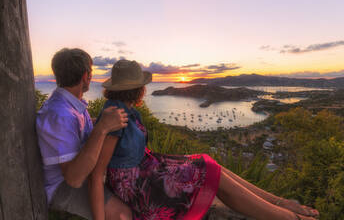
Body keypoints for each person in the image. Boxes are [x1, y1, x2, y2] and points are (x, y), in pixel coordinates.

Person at [89, 59, 319, 220]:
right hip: (137, 186)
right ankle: (286, 217)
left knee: (208, 162)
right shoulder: (114, 114)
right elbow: (100, 170)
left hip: (146, 170)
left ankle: (279, 202)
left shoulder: (125, 109)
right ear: (138, 89)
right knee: (207, 170)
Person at [36, 48, 133, 220]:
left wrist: (105, 122)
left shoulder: (70, 104)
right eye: (91, 72)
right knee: (122, 215)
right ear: (85, 76)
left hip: (76, 172)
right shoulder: (60, 115)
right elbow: (74, 178)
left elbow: (78, 131)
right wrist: (102, 128)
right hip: (62, 186)